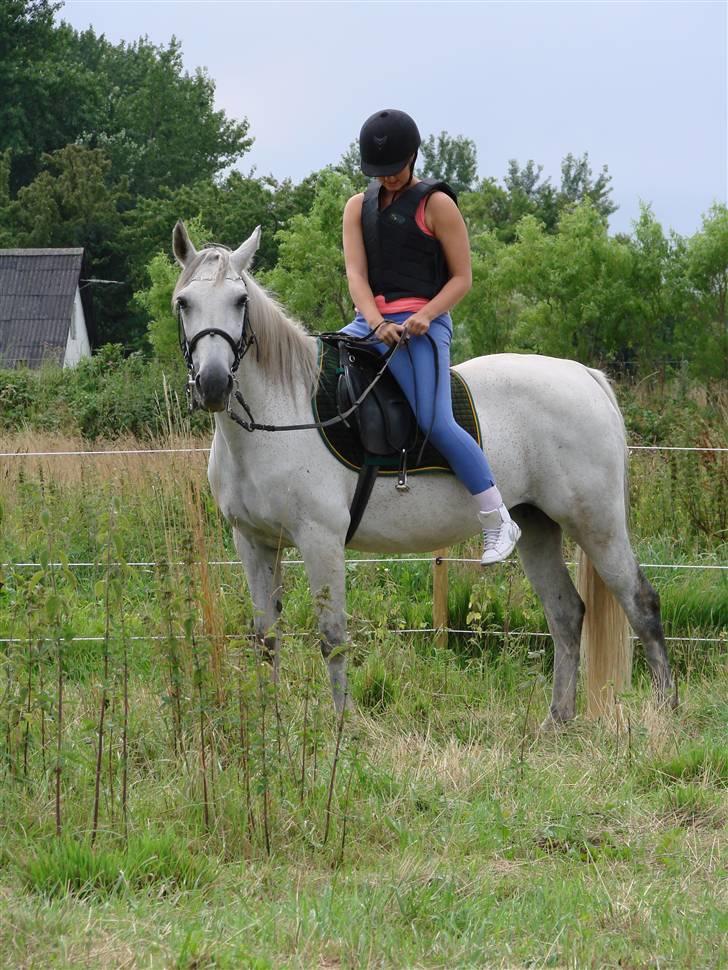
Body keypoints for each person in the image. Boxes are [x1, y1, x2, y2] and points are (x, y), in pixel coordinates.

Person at [341, 108, 521, 565]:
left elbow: (462, 278)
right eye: (380, 173)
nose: (389, 180)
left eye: (396, 170)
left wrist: (425, 316)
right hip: (372, 321)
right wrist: (376, 322)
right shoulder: (357, 208)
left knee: (435, 420)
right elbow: (357, 277)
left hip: (424, 323)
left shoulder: (436, 204)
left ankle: (496, 516)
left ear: (414, 157)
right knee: (318, 363)